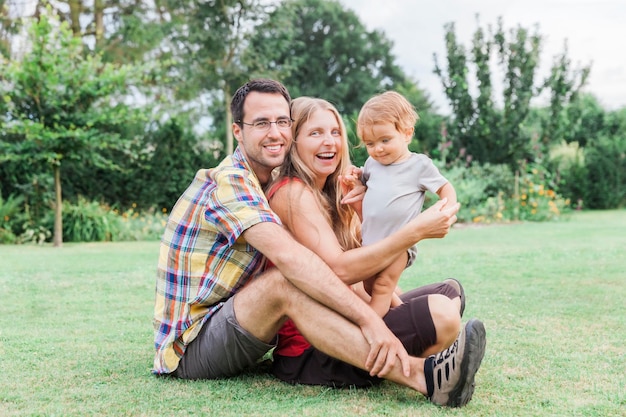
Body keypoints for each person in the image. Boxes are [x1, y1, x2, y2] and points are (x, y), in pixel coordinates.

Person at [153, 78, 482, 408]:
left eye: (282, 122)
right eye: (262, 123)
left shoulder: (286, 181)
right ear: (238, 131)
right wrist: (373, 318)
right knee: (288, 280)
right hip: (193, 343)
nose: (275, 132)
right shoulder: (236, 183)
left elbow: (353, 270)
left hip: (248, 321)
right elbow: (305, 264)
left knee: (447, 294)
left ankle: (414, 345)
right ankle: (420, 375)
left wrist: (360, 210)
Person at [265, 96, 486, 407]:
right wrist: (416, 231)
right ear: (294, 141)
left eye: (335, 132)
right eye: (315, 133)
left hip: (350, 312)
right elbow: (340, 271)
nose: (330, 142)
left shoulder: (331, 189)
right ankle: (425, 367)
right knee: (442, 315)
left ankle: (420, 350)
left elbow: (366, 265)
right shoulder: (291, 193)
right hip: (316, 349)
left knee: (450, 291)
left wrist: (357, 206)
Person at [352, 90, 458, 317]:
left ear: (407, 134)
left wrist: (446, 210)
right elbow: (364, 182)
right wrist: (354, 177)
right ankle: (403, 314)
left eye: (385, 140)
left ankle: (370, 325)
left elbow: (444, 187)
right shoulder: (372, 164)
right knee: (370, 286)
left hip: (400, 244)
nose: (378, 148)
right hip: (371, 242)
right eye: (370, 143)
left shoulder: (418, 165)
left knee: (382, 288)